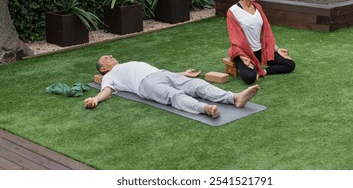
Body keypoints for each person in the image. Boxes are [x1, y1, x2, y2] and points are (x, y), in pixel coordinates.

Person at [84, 55, 260, 118]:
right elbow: (106, 91)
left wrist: (182, 73)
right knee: (175, 96)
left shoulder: (126, 64)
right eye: (106, 58)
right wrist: (95, 99)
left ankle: (234, 98)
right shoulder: (111, 76)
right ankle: (204, 108)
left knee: (198, 84)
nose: (110, 56)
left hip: (164, 74)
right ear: (104, 69)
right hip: (146, 85)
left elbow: (154, 70)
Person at [227, 0, 296, 84]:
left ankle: (262, 71)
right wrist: (241, 56)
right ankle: (251, 67)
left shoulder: (258, 7)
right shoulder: (233, 12)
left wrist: (277, 50)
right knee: (249, 77)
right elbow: (235, 39)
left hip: (261, 50)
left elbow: (265, 34)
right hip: (244, 52)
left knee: (290, 64)